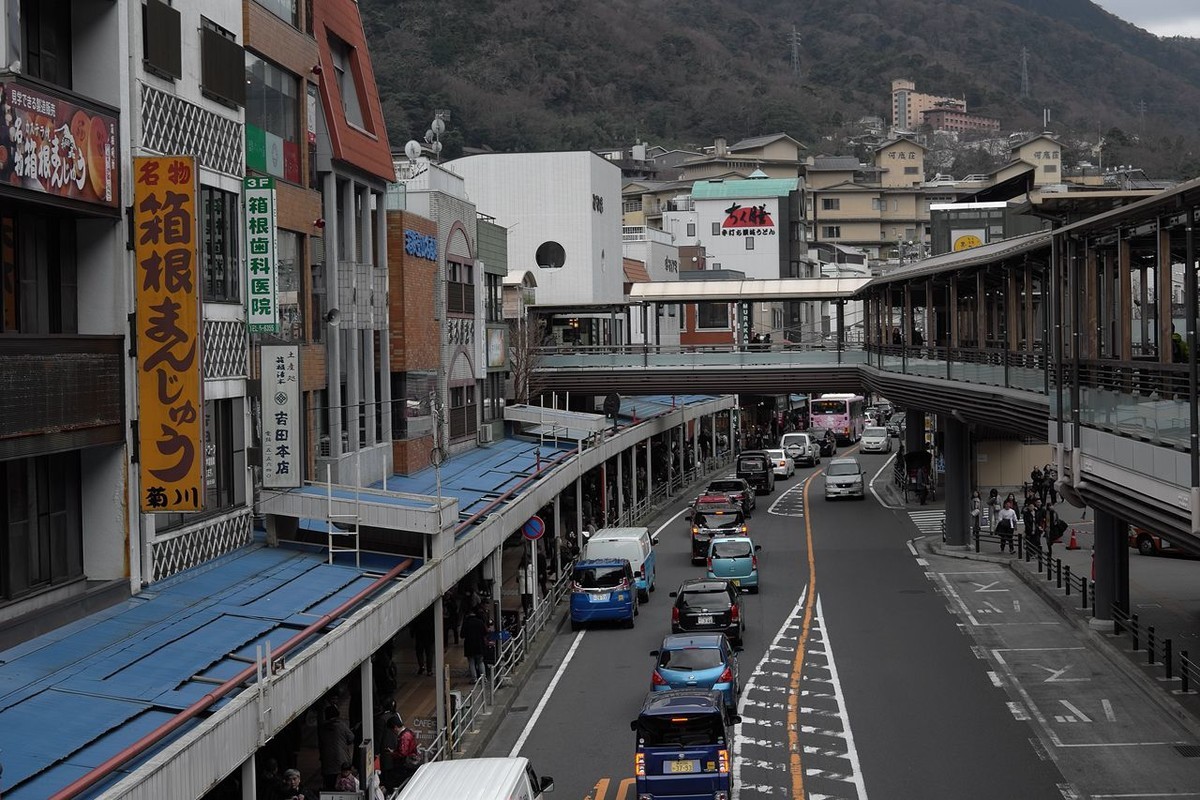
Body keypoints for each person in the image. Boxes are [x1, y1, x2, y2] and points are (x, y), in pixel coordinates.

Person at [317, 705, 356, 791]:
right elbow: (351, 738)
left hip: (327, 764)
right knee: (342, 787)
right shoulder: (341, 725)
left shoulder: (322, 728)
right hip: (341, 763)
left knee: (330, 788)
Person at [461, 604, 490, 682]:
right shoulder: (480, 622)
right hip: (479, 644)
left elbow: (462, 635)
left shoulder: (466, 623)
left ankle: (474, 678)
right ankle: (483, 678)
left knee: (471, 662)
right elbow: (485, 633)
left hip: (469, 645)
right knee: (480, 661)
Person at [411, 607, 435, 676]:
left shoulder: (418, 612)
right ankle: (429, 670)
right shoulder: (431, 612)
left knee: (419, 652)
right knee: (429, 654)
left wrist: (412, 633)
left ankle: (422, 666)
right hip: (429, 636)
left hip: (420, 636)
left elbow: (414, 624)